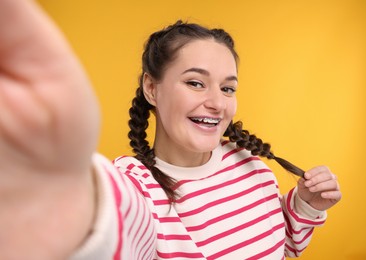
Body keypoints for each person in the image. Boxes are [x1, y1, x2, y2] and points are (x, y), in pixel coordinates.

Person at [0, 0, 342, 259]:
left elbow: (283, 248)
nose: (217, 103)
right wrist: (66, 183)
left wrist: (306, 207)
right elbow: (114, 230)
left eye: (227, 88)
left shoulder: (252, 164)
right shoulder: (136, 184)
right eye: (195, 83)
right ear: (152, 89)